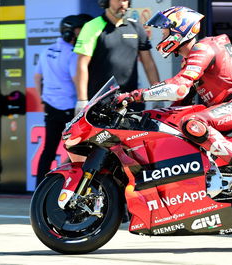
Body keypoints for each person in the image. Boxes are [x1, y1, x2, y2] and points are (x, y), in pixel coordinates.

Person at [117, 6, 232, 189]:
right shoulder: (190, 59)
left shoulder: (203, 48)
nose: (162, 37)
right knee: (178, 123)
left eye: (165, 31)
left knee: (191, 122)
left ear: (180, 29)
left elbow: (178, 88)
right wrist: (148, 117)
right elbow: (180, 102)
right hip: (228, 107)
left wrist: (134, 96)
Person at [34, 14, 92, 186]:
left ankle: (40, 189)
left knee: (48, 150)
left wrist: (42, 100)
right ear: (69, 33)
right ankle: (67, 184)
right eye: (78, 32)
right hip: (71, 109)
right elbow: (77, 80)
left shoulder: (47, 51)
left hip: (51, 108)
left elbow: (37, 77)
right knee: (80, 148)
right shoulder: (73, 54)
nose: (81, 35)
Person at [73, 0, 160, 114]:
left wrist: (157, 93)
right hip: (99, 104)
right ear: (106, 2)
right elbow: (82, 64)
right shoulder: (91, 26)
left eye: (125, 0)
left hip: (131, 102)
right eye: (118, 0)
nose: (122, 3)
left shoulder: (137, 27)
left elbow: (149, 64)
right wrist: (82, 100)